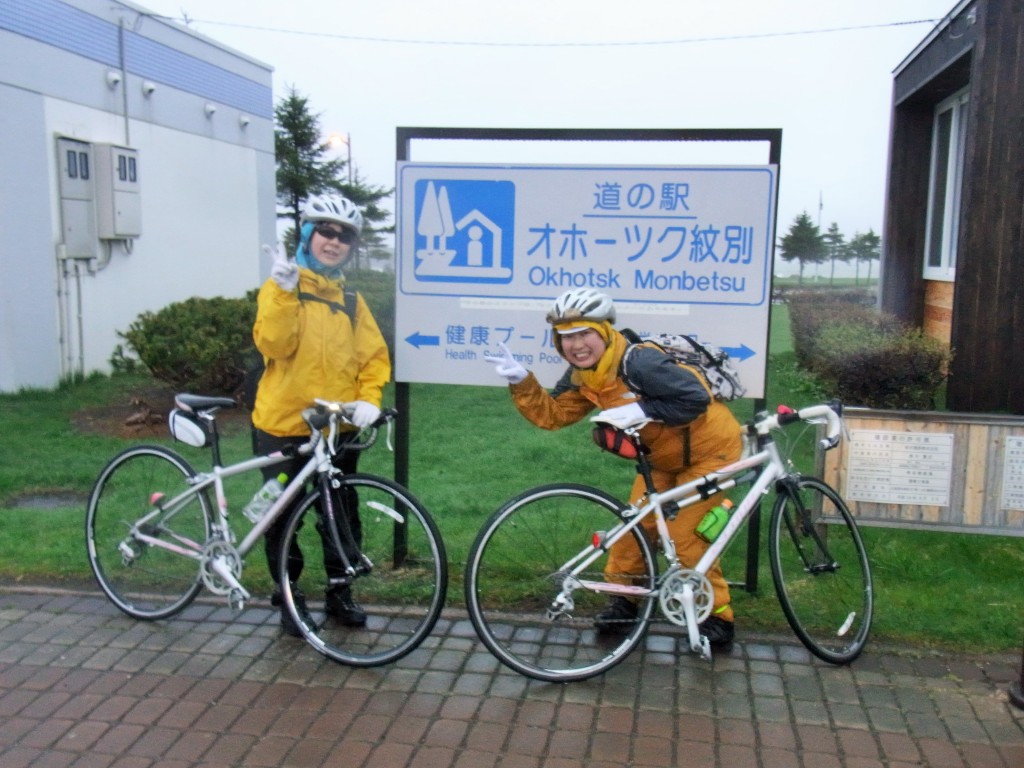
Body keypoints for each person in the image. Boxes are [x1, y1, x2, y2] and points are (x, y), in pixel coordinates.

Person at [484, 288, 742, 647]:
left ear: (604, 331)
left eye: (583, 333)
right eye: (565, 336)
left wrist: (643, 410)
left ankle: (718, 617)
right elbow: (555, 415)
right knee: (631, 531)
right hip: (660, 459)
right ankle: (624, 602)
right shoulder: (583, 375)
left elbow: (695, 399)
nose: (575, 345)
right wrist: (521, 381)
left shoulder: (639, 362)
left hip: (711, 452)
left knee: (687, 538)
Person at [251, 193, 391, 636]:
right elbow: (273, 345)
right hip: (284, 424)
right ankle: (288, 595)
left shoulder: (351, 300)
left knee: (341, 512)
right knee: (279, 512)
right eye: (325, 231)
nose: (334, 241)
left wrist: (368, 397)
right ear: (309, 235)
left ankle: (339, 590)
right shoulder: (283, 287)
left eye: (344, 235)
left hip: (337, 426)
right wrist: (282, 291)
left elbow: (373, 357)